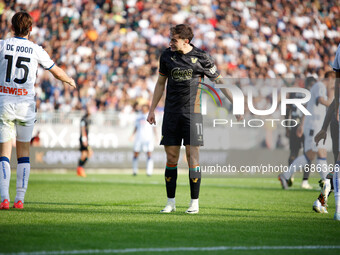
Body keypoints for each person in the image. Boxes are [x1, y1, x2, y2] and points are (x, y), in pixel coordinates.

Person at [147, 24, 238, 214]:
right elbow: (160, 83)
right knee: (171, 158)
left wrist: (235, 103)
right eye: (170, 38)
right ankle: (170, 202)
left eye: (174, 40)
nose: (170, 42)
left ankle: (194, 203)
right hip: (171, 114)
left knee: (192, 158)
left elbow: (220, 81)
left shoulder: (202, 58)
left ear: (186, 41)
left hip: (192, 114)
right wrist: (152, 109)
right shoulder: (166, 56)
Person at [0, 12, 76, 210]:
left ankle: (4, 199)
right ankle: (20, 200)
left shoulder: (2, 44)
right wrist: (69, 79)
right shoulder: (35, 49)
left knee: (4, 154)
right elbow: (55, 70)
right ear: (30, 29)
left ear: (12, 27)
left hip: (4, 103)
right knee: (24, 153)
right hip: (25, 106)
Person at [278, 75, 333, 189]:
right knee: (314, 154)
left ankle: (326, 183)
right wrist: (333, 100)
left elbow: (306, 107)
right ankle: (327, 183)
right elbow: (322, 101)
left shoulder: (314, 89)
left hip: (313, 126)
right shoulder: (319, 86)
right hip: (314, 127)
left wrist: (302, 124)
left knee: (314, 155)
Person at [131, 104, 156, 176]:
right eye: (142, 108)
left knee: (149, 154)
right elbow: (136, 127)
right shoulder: (138, 116)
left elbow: (154, 127)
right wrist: (132, 135)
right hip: (139, 138)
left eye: (145, 108)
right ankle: (134, 170)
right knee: (136, 153)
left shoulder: (151, 116)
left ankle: (149, 171)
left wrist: (156, 136)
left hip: (148, 138)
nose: (143, 109)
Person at [77, 108, 93, 177]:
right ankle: (80, 168)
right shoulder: (84, 119)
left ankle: (80, 169)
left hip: (85, 139)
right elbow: (83, 129)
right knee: (89, 153)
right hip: (83, 139)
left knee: (85, 154)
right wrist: (84, 140)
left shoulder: (87, 119)